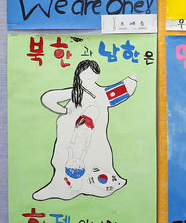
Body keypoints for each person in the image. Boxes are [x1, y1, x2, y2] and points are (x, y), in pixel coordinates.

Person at [33, 59, 137, 201]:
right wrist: (63, 110)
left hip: (95, 137)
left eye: (93, 74)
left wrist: (133, 77)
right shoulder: (75, 92)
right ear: (79, 74)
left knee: (97, 163)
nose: (89, 77)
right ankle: (61, 188)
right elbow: (47, 98)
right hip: (71, 137)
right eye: (85, 74)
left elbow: (125, 90)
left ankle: (95, 187)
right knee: (64, 161)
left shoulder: (102, 93)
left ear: (97, 75)